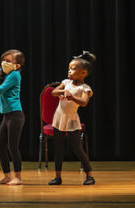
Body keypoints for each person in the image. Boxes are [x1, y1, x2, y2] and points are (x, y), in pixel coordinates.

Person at [48, 51, 96, 186]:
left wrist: (73, 97)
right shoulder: (65, 83)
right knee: (58, 148)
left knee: (78, 148)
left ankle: (90, 175)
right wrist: (63, 91)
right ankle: (57, 177)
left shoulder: (85, 88)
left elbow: (84, 102)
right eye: (69, 68)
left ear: (83, 73)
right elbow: (53, 92)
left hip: (72, 119)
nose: (69, 71)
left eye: (73, 69)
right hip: (59, 118)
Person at [0, 49, 25, 185]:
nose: (4, 63)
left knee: (12, 147)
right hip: (7, 116)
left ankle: (18, 177)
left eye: (8, 61)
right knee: (0, 147)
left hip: (15, 115)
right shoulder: (6, 72)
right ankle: (7, 176)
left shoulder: (14, 75)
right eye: (3, 60)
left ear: (17, 65)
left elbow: (0, 90)